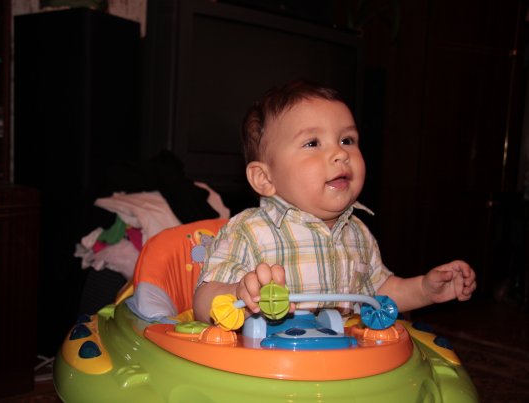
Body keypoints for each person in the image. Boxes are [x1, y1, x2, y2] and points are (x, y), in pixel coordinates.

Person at [193, 79, 476, 324]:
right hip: (271, 363)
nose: (340, 154)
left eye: (347, 140)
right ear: (265, 178)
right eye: (313, 143)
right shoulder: (249, 231)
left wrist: (425, 290)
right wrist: (239, 294)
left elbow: (379, 293)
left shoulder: (358, 233)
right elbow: (202, 302)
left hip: (341, 362)